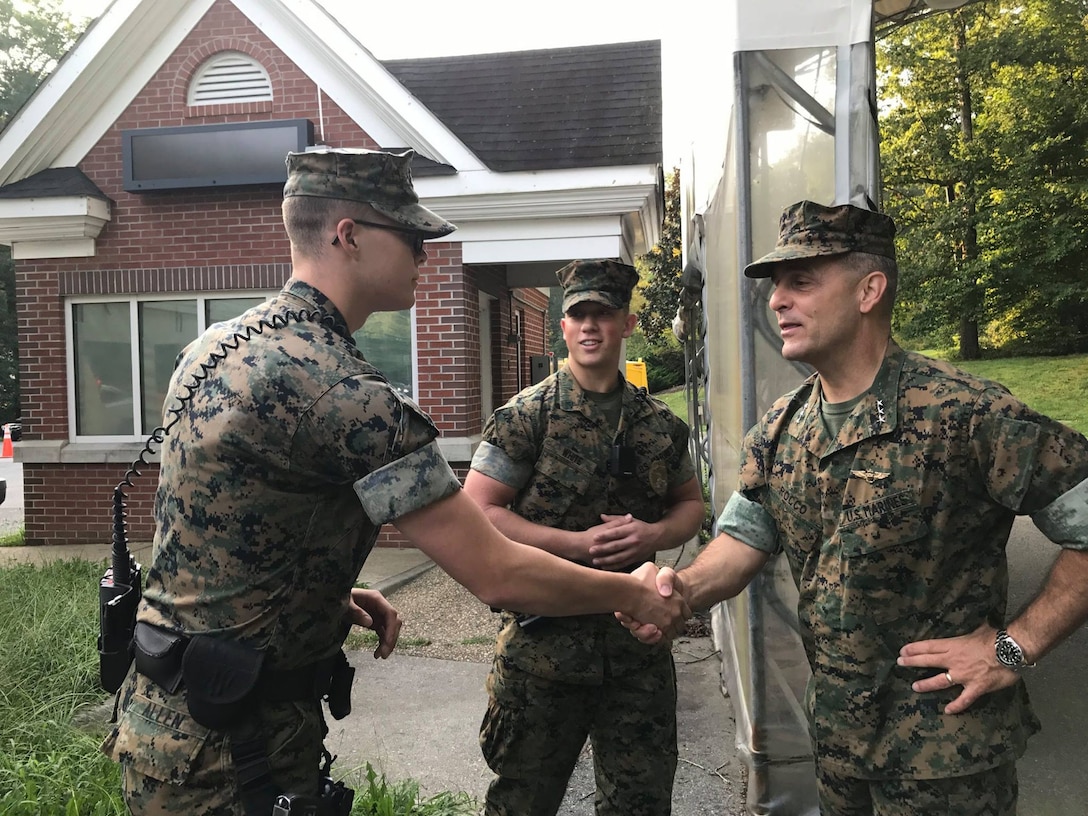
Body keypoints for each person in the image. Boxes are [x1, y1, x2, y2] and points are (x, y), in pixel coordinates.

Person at [100, 149, 691, 816]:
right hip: (237, 755)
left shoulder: (213, 347)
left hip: (158, 725)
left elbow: (220, 523)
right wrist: (633, 594)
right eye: (410, 238)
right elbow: (495, 572)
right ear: (348, 236)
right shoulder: (347, 394)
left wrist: (325, 591)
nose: (425, 256)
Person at [622, 200, 1088, 815]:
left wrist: (1013, 646)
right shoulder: (781, 430)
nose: (777, 300)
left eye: (802, 281)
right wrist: (678, 587)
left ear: (870, 290)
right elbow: (742, 542)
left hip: (946, 762)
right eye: (776, 285)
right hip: (839, 749)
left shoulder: (965, 413)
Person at [464, 259, 706, 816]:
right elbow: (479, 512)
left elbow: (691, 507)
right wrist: (575, 546)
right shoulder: (525, 417)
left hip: (636, 654)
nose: (591, 325)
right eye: (579, 314)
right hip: (544, 651)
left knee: (640, 805)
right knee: (522, 803)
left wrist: (654, 532)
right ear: (564, 327)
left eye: (605, 313)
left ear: (628, 323)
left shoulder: (660, 426)